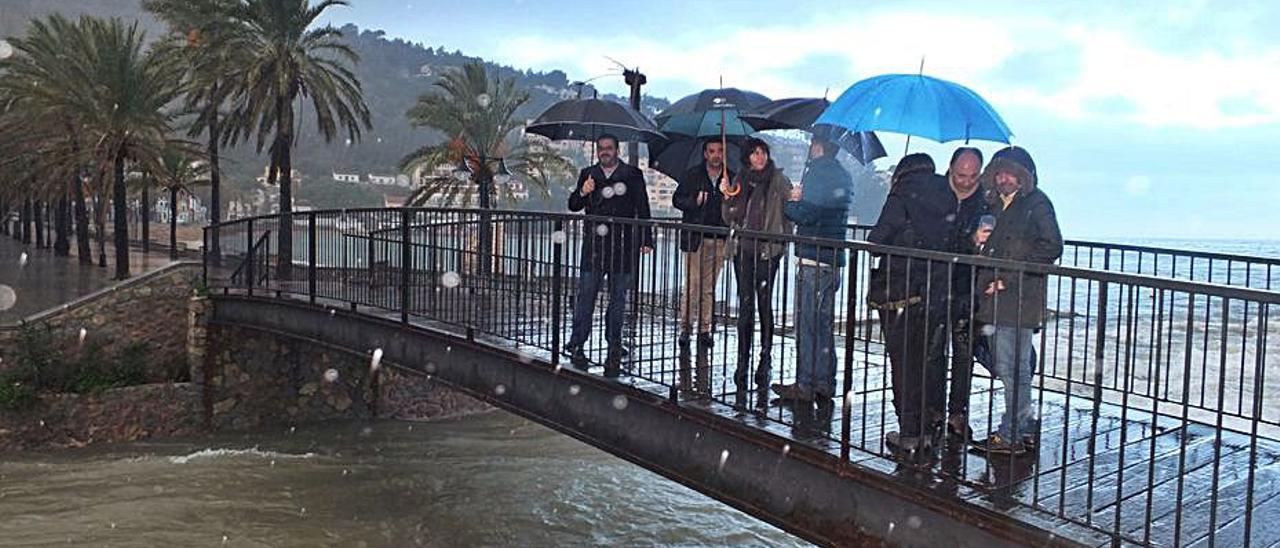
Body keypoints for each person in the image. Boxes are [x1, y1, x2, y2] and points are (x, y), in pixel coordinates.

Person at [969, 146, 1062, 455]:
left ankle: (1010, 436)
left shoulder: (1036, 204)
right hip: (995, 298)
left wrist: (1008, 278)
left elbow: (1051, 246)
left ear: (1024, 177)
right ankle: (1025, 427)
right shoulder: (994, 205)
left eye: (1010, 173)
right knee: (1014, 367)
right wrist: (976, 241)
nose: (1003, 178)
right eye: (999, 172)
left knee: (1012, 368)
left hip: (1019, 297)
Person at [866, 153, 955, 457]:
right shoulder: (947, 195)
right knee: (925, 362)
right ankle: (927, 430)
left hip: (899, 290)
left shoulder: (901, 196)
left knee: (902, 363)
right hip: (934, 291)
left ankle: (908, 432)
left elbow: (877, 240)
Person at [771, 135, 854, 403]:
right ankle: (825, 382)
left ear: (817, 146)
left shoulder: (818, 173)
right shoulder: (843, 175)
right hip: (833, 259)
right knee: (824, 326)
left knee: (807, 325)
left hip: (813, 259)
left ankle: (805, 383)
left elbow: (806, 214)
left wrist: (793, 202)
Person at [564, 134, 654, 378]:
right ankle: (577, 341)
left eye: (609, 148)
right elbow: (573, 205)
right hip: (594, 246)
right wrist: (583, 192)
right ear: (597, 150)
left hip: (623, 246)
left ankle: (614, 343)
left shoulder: (633, 175)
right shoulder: (588, 174)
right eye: (601, 148)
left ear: (617, 150)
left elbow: (642, 207)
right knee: (586, 296)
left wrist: (647, 239)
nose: (605, 152)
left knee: (618, 300)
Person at [722, 137, 794, 406]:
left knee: (764, 302)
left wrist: (782, 237)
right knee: (745, 304)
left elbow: (790, 212)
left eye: (763, 152)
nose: (760, 157)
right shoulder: (740, 179)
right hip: (743, 249)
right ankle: (743, 359)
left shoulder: (777, 180)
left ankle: (765, 356)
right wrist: (727, 197)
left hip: (768, 250)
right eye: (754, 153)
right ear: (747, 158)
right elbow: (729, 217)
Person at [941, 147, 990, 440]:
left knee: (962, 355)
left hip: (965, 287)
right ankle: (931, 409)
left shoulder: (985, 204)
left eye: (973, 176)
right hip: (934, 284)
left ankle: (957, 412)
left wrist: (975, 242)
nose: (966, 181)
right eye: (961, 175)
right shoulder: (936, 195)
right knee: (930, 353)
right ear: (950, 168)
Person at [672, 140, 734, 351]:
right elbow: (677, 200)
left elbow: (736, 208)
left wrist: (729, 197)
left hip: (718, 238)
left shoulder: (731, 177)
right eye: (712, 151)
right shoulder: (692, 175)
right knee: (692, 284)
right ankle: (686, 328)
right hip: (694, 238)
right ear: (705, 154)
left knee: (708, 288)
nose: (716, 155)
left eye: (720, 151)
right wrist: (694, 201)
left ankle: (705, 330)